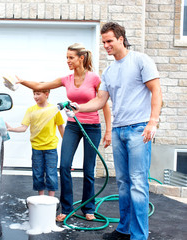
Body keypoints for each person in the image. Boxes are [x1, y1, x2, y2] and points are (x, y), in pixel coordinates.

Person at [70, 22, 162, 240]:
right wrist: (79, 107)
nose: (106, 45)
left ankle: (139, 236)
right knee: (123, 183)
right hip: (120, 130)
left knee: (138, 184)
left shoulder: (141, 60)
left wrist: (153, 122)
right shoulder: (109, 71)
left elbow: (156, 90)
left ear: (121, 39)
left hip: (140, 129)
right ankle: (124, 229)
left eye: (109, 41)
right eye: (103, 42)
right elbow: (101, 100)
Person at [16, 43, 112, 222]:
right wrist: (22, 82)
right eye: (66, 57)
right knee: (65, 165)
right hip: (73, 125)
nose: (67, 61)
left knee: (89, 170)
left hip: (92, 127)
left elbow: (103, 103)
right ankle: (67, 208)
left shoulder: (94, 79)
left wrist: (108, 131)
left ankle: (88, 207)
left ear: (81, 58)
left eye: (71, 57)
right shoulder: (66, 79)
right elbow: (40, 85)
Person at [6, 88, 65, 197]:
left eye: (38, 94)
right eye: (34, 94)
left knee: (51, 174)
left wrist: (66, 144)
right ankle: (41, 198)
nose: (35, 96)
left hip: (50, 148)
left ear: (46, 94)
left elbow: (61, 127)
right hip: (36, 148)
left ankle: (51, 200)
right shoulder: (31, 110)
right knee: (38, 174)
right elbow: (24, 127)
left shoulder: (54, 109)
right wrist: (11, 128)